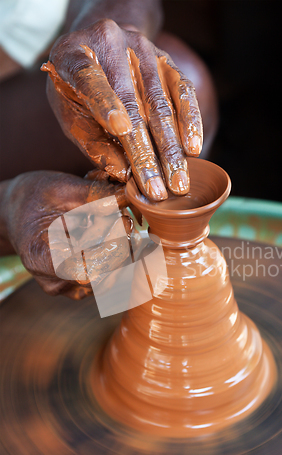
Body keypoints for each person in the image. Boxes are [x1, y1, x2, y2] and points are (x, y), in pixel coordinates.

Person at [0, 0, 218, 299]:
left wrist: (108, 36)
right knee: (76, 238)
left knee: (170, 91)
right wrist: (7, 206)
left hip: (24, 68)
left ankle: (145, 285)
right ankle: (129, 311)